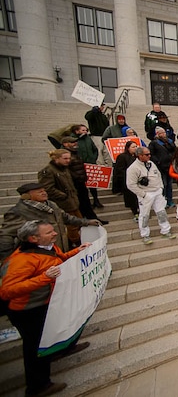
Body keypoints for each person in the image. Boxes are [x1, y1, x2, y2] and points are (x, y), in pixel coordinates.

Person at [0, 220, 92, 397]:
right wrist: (43, 278)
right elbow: (6, 292)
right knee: (35, 347)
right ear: (33, 238)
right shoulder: (20, 260)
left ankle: (63, 348)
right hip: (28, 310)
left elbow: (61, 259)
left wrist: (76, 252)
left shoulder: (50, 247)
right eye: (49, 232)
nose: (55, 233)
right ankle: (38, 386)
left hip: (48, 302)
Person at [0, 182, 99, 261]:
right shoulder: (18, 212)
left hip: (59, 250)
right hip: (38, 257)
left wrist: (86, 222)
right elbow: (6, 236)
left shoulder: (51, 205)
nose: (44, 193)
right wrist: (7, 259)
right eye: (39, 192)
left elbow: (66, 218)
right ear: (26, 196)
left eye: (44, 191)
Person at [126, 147, 176, 245]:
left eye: (149, 154)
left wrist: (161, 188)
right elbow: (131, 185)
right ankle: (145, 234)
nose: (149, 156)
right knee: (144, 215)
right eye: (147, 154)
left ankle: (165, 230)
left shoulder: (151, 164)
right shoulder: (133, 168)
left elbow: (158, 176)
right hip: (145, 193)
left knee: (161, 212)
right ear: (140, 156)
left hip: (157, 191)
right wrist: (143, 194)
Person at [38, 149, 84, 247]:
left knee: (78, 223)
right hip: (63, 203)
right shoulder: (48, 171)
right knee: (72, 226)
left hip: (72, 202)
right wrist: (63, 195)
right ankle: (75, 243)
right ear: (56, 158)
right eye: (65, 158)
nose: (68, 160)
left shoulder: (65, 169)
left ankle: (71, 242)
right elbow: (47, 188)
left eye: (69, 158)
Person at [61, 137, 108, 225]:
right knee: (80, 204)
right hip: (74, 184)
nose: (75, 143)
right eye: (72, 142)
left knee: (86, 203)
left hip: (81, 182)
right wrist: (77, 177)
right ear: (65, 144)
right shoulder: (65, 155)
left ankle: (92, 218)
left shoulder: (75, 154)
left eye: (75, 141)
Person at [70, 124, 103, 208]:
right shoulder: (72, 140)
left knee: (93, 184)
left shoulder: (88, 138)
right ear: (77, 131)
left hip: (90, 163)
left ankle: (96, 200)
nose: (85, 132)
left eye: (85, 130)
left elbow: (94, 149)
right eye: (83, 130)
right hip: (79, 166)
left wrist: (93, 158)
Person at [149, 126, 176, 207]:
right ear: (157, 134)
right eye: (161, 133)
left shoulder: (170, 141)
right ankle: (163, 201)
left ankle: (170, 200)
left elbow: (174, 150)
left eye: (164, 132)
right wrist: (158, 161)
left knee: (169, 185)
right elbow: (151, 154)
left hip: (169, 166)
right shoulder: (154, 143)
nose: (164, 134)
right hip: (160, 167)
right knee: (163, 184)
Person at [113, 141, 140, 221]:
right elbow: (119, 170)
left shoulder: (137, 157)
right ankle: (135, 212)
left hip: (138, 180)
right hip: (128, 180)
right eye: (133, 147)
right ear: (128, 148)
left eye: (136, 146)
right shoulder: (122, 157)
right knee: (131, 198)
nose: (135, 148)